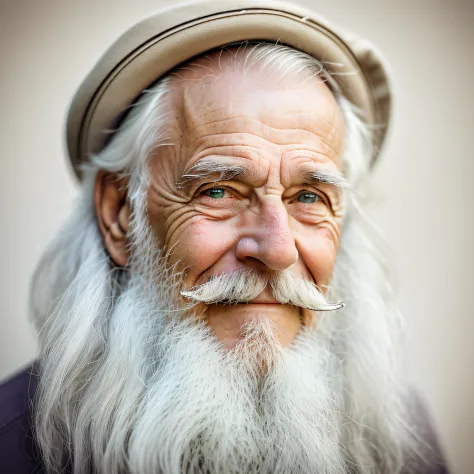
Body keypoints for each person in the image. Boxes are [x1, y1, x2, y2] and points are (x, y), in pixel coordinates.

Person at [0, 1, 449, 473]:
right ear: (120, 214)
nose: (277, 250)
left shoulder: (401, 446)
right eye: (218, 191)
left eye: (310, 197)